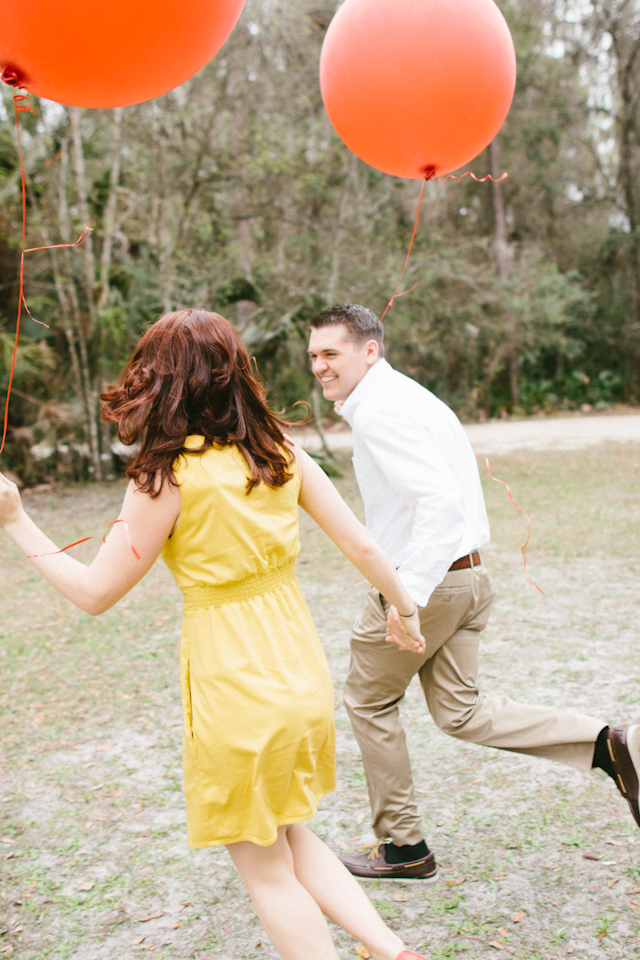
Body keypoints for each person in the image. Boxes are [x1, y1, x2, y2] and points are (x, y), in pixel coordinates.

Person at [0, 309, 429, 960]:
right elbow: (363, 545)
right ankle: (395, 951)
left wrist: (16, 520)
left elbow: (94, 594)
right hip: (298, 674)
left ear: (163, 381)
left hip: (236, 688)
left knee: (264, 868)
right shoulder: (280, 450)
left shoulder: (165, 474)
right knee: (289, 835)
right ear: (235, 374)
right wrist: (406, 608)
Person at [307, 303, 640, 883]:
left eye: (331, 353)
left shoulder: (382, 411)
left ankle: (403, 847)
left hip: (426, 582)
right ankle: (611, 745)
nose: (319, 366)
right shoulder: (406, 397)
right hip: (468, 577)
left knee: (368, 700)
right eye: (313, 356)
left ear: (369, 350)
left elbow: (440, 503)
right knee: (461, 712)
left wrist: (405, 598)